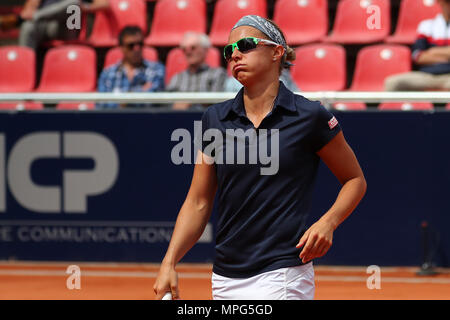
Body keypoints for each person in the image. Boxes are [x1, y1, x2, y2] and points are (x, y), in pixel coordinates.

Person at [153, 15, 367, 300]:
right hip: (225, 275)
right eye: (230, 51)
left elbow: (354, 179)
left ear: (277, 52)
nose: (235, 55)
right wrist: (169, 262)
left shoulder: (309, 116)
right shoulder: (215, 119)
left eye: (246, 44)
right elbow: (198, 201)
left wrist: (328, 222)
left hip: (284, 271)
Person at [385, 0, 450, 91]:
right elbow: (418, 56)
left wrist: (432, 52)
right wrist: (447, 55)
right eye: (447, 2)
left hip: (448, 76)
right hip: (426, 75)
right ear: (439, 2)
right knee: (393, 83)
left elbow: (424, 55)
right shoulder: (426, 26)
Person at [96, 25, 165, 109]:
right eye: (131, 45)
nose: (137, 49)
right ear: (121, 48)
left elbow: (153, 101)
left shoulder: (157, 69)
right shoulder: (107, 73)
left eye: (140, 44)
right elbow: (102, 105)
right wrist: (139, 93)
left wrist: (122, 100)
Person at [166, 32, 228, 110]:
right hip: (179, 119)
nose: (188, 52)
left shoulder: (218, 74)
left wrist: (188, 103)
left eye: (193, 48)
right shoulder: (176, 78)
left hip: (205, 120)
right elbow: (165, 104)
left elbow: (217, 104)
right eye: (184, 49)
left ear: (205, 50)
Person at [16, 0, 109, 50]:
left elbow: (104, 4)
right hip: (45, 24)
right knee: (28, 27)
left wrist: (85, 7)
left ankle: (37, 16)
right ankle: (23, 70)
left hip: (71, 25)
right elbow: (27, 12)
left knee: (73, 3)